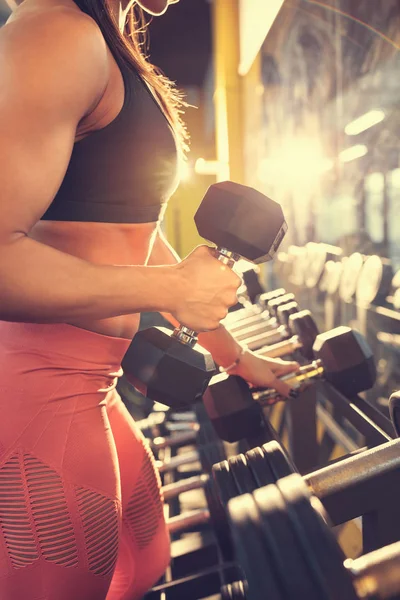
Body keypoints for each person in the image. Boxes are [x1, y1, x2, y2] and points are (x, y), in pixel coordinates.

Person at [0, 0, 299, 598]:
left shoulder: (106, 44)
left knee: (144, 559)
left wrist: (234, 355)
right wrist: (174, 290)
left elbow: (136, 236)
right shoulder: (58, 34)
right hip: (33, 389)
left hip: (92, 382)